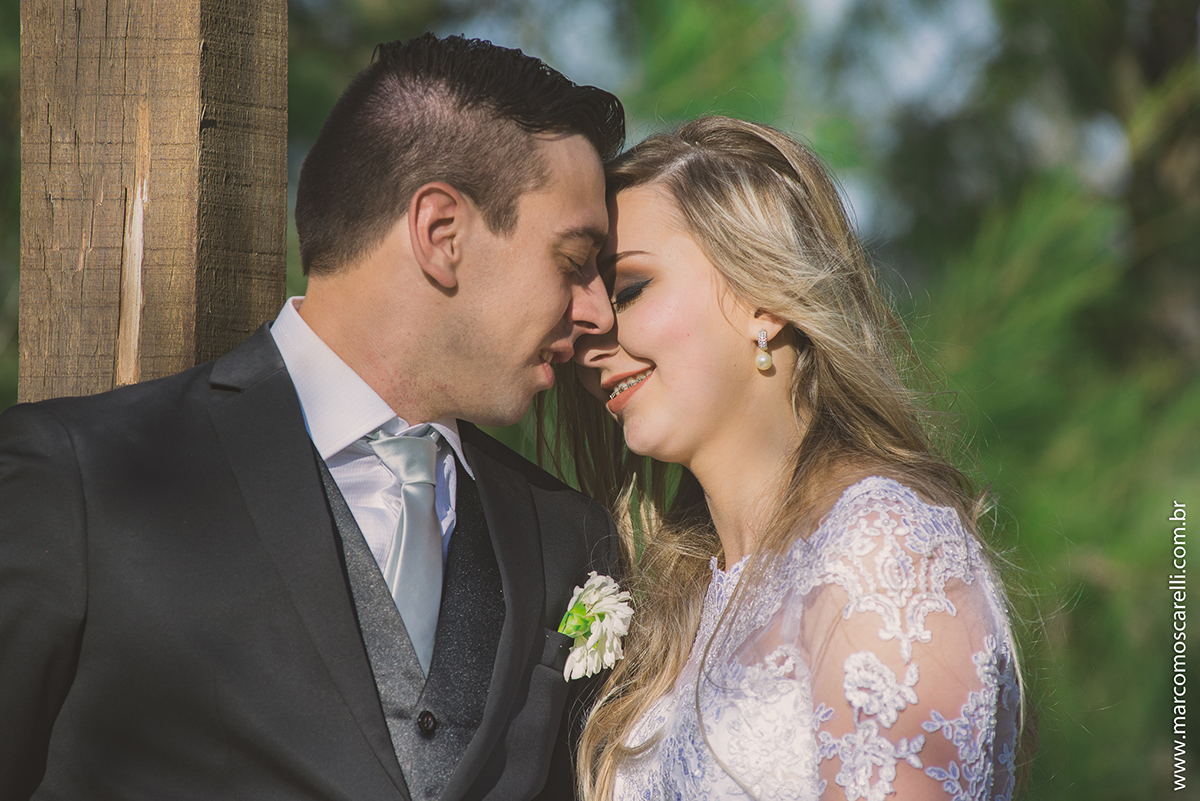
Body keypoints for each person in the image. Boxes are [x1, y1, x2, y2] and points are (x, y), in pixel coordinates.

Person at [0, 34, 624, 801]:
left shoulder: (567, 536)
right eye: (573, 260)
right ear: (441, 234)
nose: (597, 309)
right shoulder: (76, 479)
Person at [548, 116, 1027, 800]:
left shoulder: (883, 548)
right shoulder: (680, 597)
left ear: (763, 299)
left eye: (627, 290)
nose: (589, 335)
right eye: (582, 305)